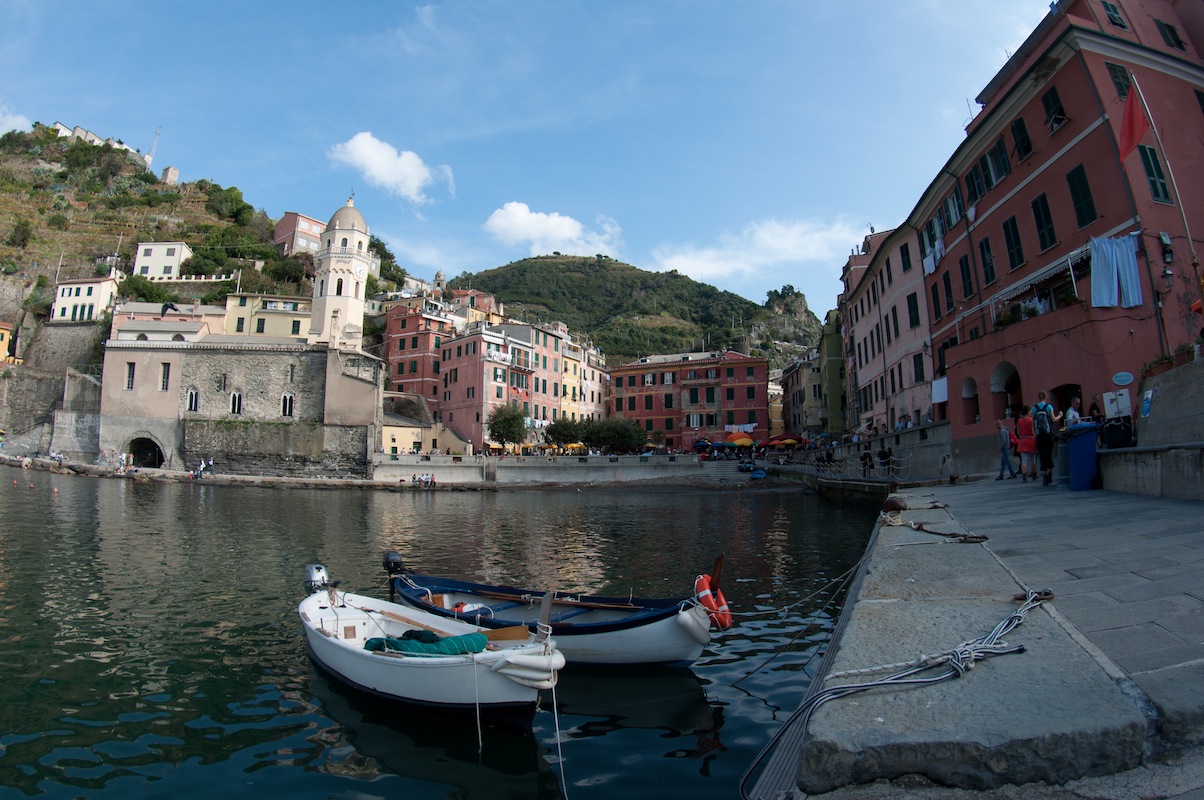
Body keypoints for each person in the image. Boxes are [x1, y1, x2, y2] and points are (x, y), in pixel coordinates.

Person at [1031, 391, 1063, 486]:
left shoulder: (1034, 408)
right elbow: (1054, 419)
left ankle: (1044, 477)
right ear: (1046, 397)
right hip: (1048, 435)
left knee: (1042, 455)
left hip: (1039, 435)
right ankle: (1050, 475)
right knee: (1049, 454)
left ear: (1038, 397)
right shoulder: (1049, 407)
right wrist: (1060, 415)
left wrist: (1034, 434)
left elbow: (1032, 422)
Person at [1016, 408, 1037, 482]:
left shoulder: (1019, 421)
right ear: (1028, 412)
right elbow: (1033, 430)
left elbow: (1018, 432)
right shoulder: (1031, 420)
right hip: (1030, 440)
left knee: (1024, 460)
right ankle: (1034, 474)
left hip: (1022, 440)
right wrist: (1035, 438)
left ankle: (1024, 477)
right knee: (1032, 460)